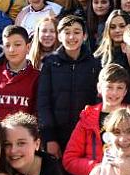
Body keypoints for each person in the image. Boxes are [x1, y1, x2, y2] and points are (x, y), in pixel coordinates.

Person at [37, 15, 101, 160]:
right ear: (59, 36)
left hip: (85, 134)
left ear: (84, 36)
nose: (72, 37)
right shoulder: (50, 63)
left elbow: (97, 101)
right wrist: (49, 138)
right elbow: (43, 103)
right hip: (57, 136)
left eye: (77, 32)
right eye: (67, 32)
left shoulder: (94, 64)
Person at [0, 26, 39, 120]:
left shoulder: (38, 77)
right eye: (7, 45)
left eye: (17, 44)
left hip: (23, 133)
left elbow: (39, 113)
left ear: (28, 47)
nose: (11, 50)